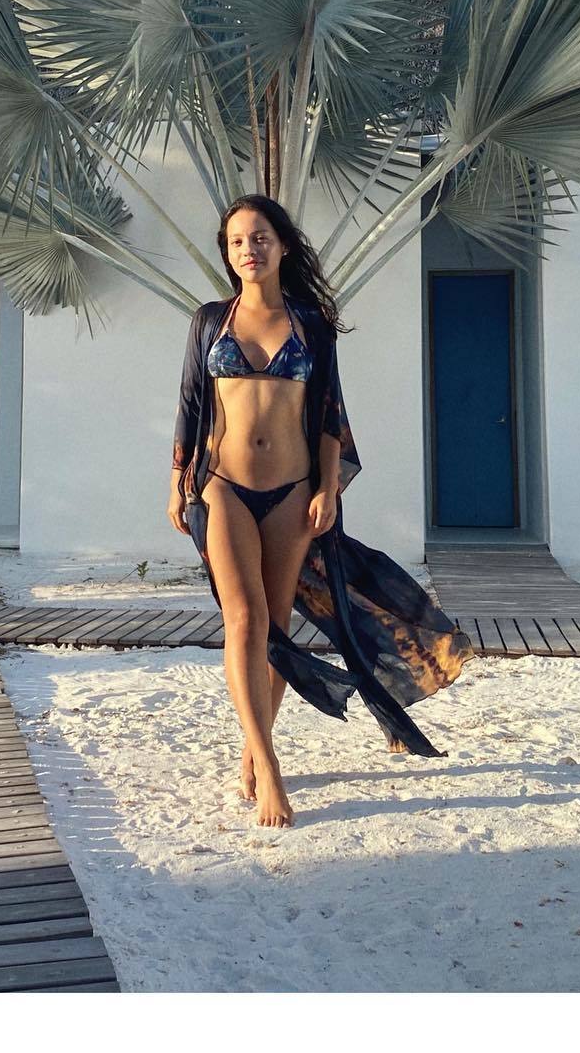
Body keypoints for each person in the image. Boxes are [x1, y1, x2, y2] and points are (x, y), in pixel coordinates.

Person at [168, 195, 475, 828]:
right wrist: (179, 480)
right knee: (245, 619)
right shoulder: (210, 321)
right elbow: (192, 402)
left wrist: (327, 489)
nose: (248, 250)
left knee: (277, 628)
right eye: (236, 242)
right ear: (227, 254)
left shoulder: (311, 323)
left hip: (291, 490)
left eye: (259, 238)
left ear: (282, 246)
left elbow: (331, 412)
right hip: (222, 485)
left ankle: (253, 745)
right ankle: (269, 765)